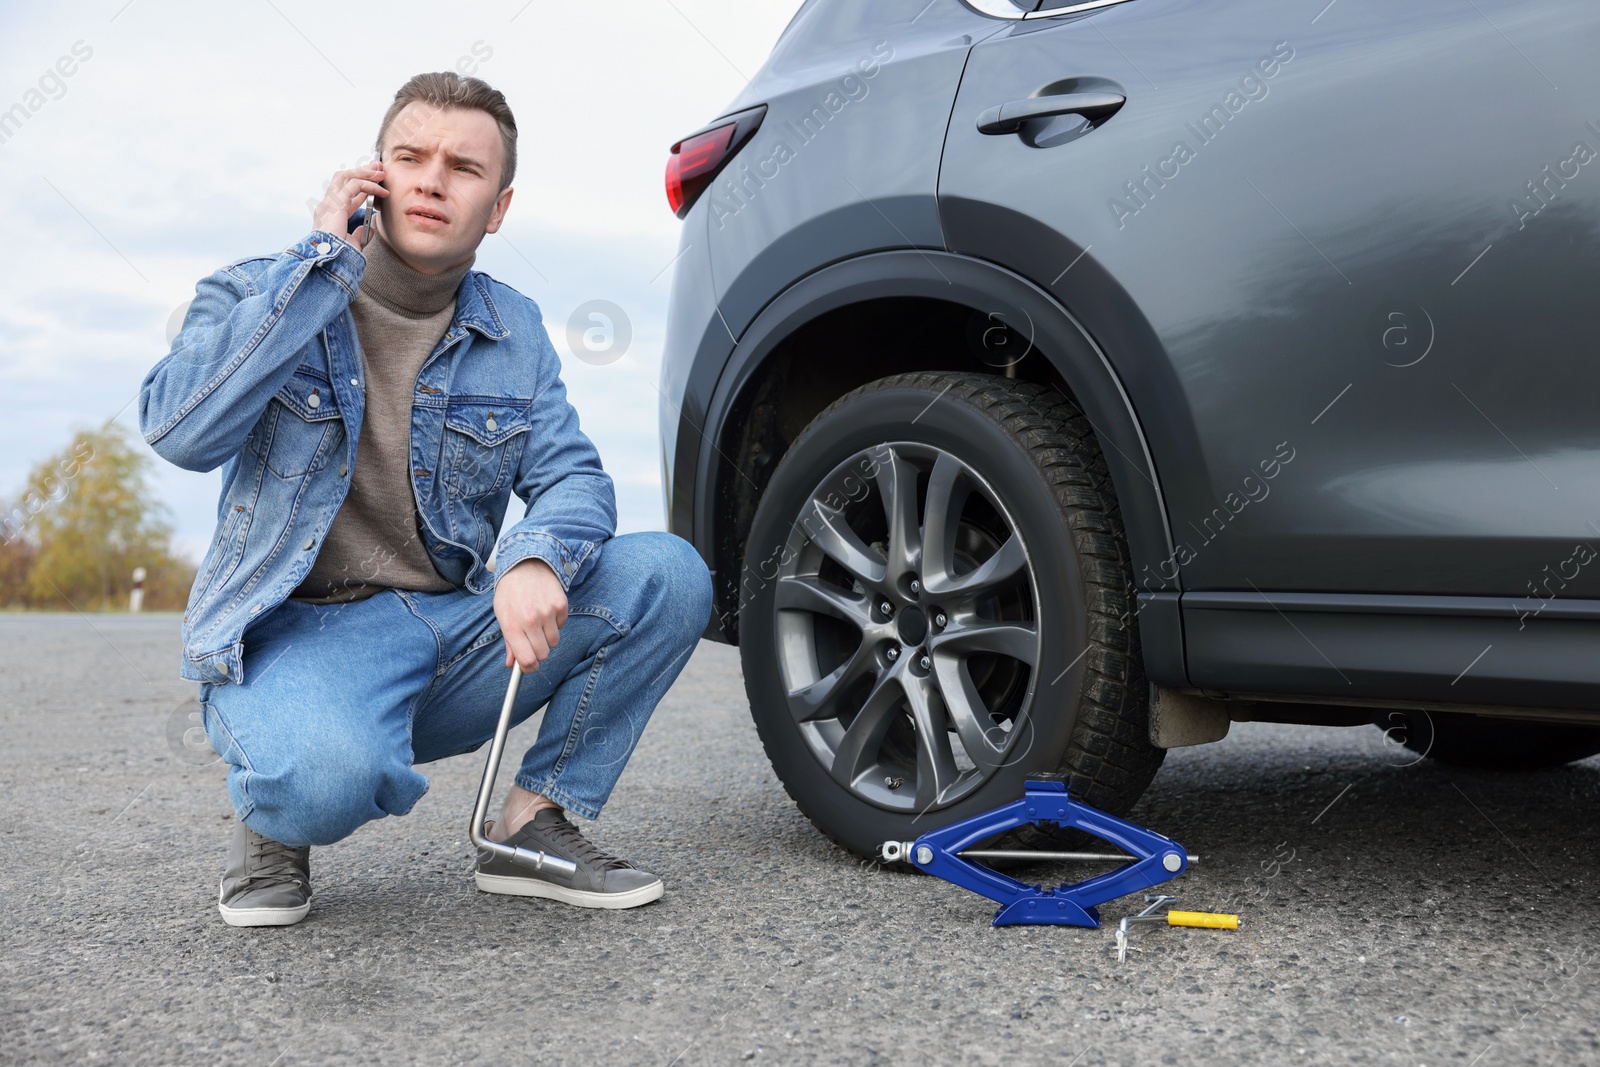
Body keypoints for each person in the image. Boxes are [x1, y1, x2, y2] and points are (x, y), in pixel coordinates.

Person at [138, 71, 712, 927]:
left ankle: (531, 825)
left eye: (463, 167)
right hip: (296, 636)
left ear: (499, 206)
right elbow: (180, 430)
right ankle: (276, 811)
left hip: (447, 632)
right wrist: (316, 270)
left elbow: (575, 479)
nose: (432, 179)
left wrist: (531, 554)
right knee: (324, 780)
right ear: (374, 173)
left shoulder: (512, 329)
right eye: (410, 157)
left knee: (667, 572)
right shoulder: (258, 288)